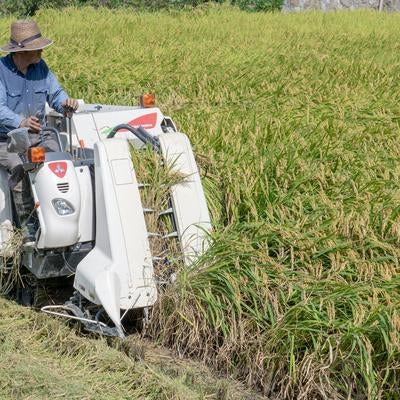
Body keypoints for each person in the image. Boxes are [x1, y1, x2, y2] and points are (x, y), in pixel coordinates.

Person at [0, 19, 78, 242]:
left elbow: (56, 94)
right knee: (18, 167)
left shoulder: (41, 68)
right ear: (21, 52)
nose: (42, 51)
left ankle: (59, 218)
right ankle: (28, 228)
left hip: (38, 135)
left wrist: (66, 104)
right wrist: (20, 122)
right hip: (6, 139)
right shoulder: (1, 71)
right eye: (37, 48)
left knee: (57, 161)